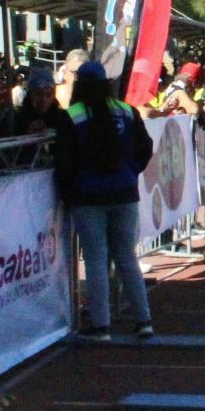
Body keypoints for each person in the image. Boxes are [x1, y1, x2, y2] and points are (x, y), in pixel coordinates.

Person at [53, 61, 156, 340]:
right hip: (125, 193)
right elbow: (145, 147)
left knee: (96, 260)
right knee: (126, 257)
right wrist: (130, 171)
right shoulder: (127, 111)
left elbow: (64, 161)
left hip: (88, 197)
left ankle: (101, 325)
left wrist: (69, 193)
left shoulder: (72, 116)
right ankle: (144, 320)